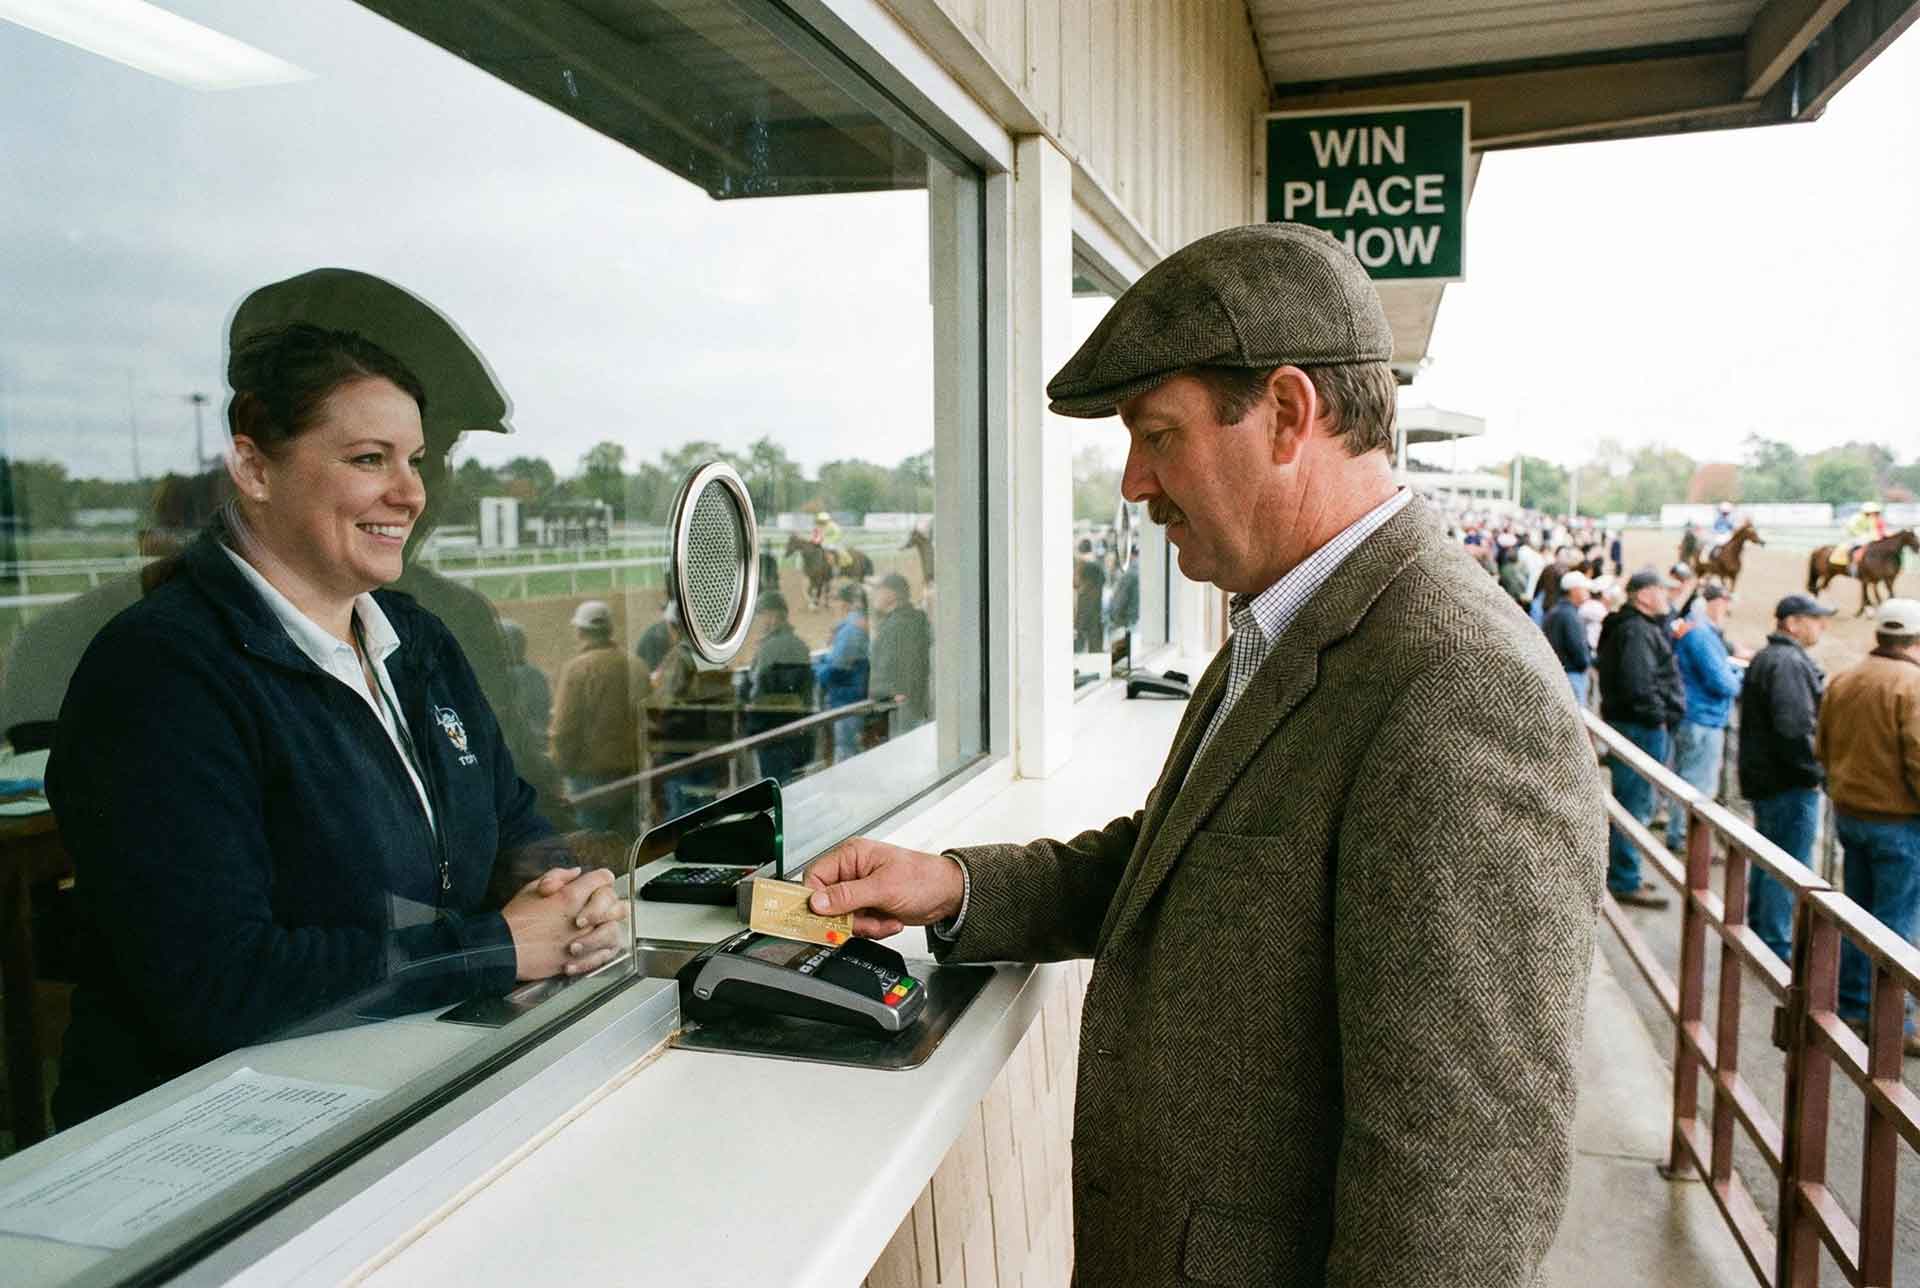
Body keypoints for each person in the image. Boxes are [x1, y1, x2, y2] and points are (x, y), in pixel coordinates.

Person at [802, 223, 1603, 1286]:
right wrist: (955, 886)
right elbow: (1180, 867)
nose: (1135, 483)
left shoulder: (1460, 687)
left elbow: (1461, 1192)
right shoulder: (1292, 618)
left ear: (1287, 415)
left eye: (1158, 435)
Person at [45, 323, 626, 1126]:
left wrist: (565, 896)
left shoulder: (416, 639)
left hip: (406, 1083)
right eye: (369, 459)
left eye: (414, 460)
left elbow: (509, 819)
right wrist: (497, 947)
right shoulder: (160, 672)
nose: (410, 493)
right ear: (255, 469)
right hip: (216, 1139)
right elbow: (217, 981)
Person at [1815, 598, 1920, 1054]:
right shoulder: (1912, 685)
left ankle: (1855, 1006)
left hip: (1851, 814)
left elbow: (1823, 745)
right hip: (1899, 821)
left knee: (1859, 914)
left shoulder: (1845, 678)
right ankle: (1893, 1022)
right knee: (1897, 922)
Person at [1738, 593, 1836, 963]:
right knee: (1788, 864)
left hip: (1769, 779)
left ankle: (1763, 933)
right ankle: (1774, 943)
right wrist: (1815, 773)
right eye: (1814, 619)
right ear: (1792, 623)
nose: (1821, 626)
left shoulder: (1771, 657)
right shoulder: (1788, 663)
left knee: (1770, 861)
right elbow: (1794, 730)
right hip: (1787, 783)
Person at [1595, 567, 1686, 908]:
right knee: (1635, 804)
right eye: (1662, 590)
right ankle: (1624, 877)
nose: (1668, 597)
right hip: (1641, 728)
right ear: (1645, 595)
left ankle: (1623, 871)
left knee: (1633, 801)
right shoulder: (1636, 631)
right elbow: (1639, 685)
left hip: (1635, 725)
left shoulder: (1633, 627)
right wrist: (1659, 718)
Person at [549, 599, 648, 832]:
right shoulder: (636, 665)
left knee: (591, 842)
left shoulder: (577, 669)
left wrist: (558, 769)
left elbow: (564, 729)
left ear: (580, 631)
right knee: (628, 839)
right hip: (630, 772)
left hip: (589, 777)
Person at [1665, 584, 1741, 854]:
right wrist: (1738, 678)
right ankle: (1685, 837)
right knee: (1698, 784)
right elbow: (1722, 682)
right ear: (1713, 603)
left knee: (1687, 778)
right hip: (1703, 717)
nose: (1726, 608)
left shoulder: (1692, 630)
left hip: (1694, 713)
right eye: (1724, 602)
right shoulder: (1701, 635)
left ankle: (1679, 831)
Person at [741, 590, 814, 784]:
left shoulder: (768, 649)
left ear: (772, 616)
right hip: (798, 731)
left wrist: (750, 724)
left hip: (772, 734)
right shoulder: (800, 645)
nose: (757, 621)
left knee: (776, 786)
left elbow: (758, 695)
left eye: (760, 615)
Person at [869, 571, 931, 732]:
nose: (874, 595)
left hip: (903, 704)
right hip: (901, 702)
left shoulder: (900, 624)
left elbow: (906, 664)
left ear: (891, 594)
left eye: (878, 590)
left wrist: (898, 693)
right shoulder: (907, 619)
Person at [813, 582, 869, 761]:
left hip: (847, 703)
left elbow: (834, 671)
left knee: (846, 754)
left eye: (833, 600)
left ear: (845, 604)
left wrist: (816, 669)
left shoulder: (850, 631)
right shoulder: (851, 627)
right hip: (851, 700)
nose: (831, 605)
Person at [1544, 569, 1593, 703]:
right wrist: (1586, 662)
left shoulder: (1557, 610)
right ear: (1574, 590)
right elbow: (1578, 648)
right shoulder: (1569, 615)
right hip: (1572, 675)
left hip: (1561, 673)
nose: (1588, 593)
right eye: (1584, 589)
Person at [1072, 537, 1106, 652]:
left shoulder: (1081, 566)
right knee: (1095, 650)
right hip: (1096, 615)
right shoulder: (1099, 568)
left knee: (1078, 651)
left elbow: (1076, 586)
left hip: (1082, 616)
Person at [1835, 500, 1889, 572]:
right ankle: (1852, 566)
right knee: (1854, 549)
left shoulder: (1871, 519)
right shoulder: (1857, 518)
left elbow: (1872, 530)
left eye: (1876, 512)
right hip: (1853, 537)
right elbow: (1851, 528)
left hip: (1864, 538)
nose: (1875, 514)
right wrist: (1862, 535)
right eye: (1874, 512)